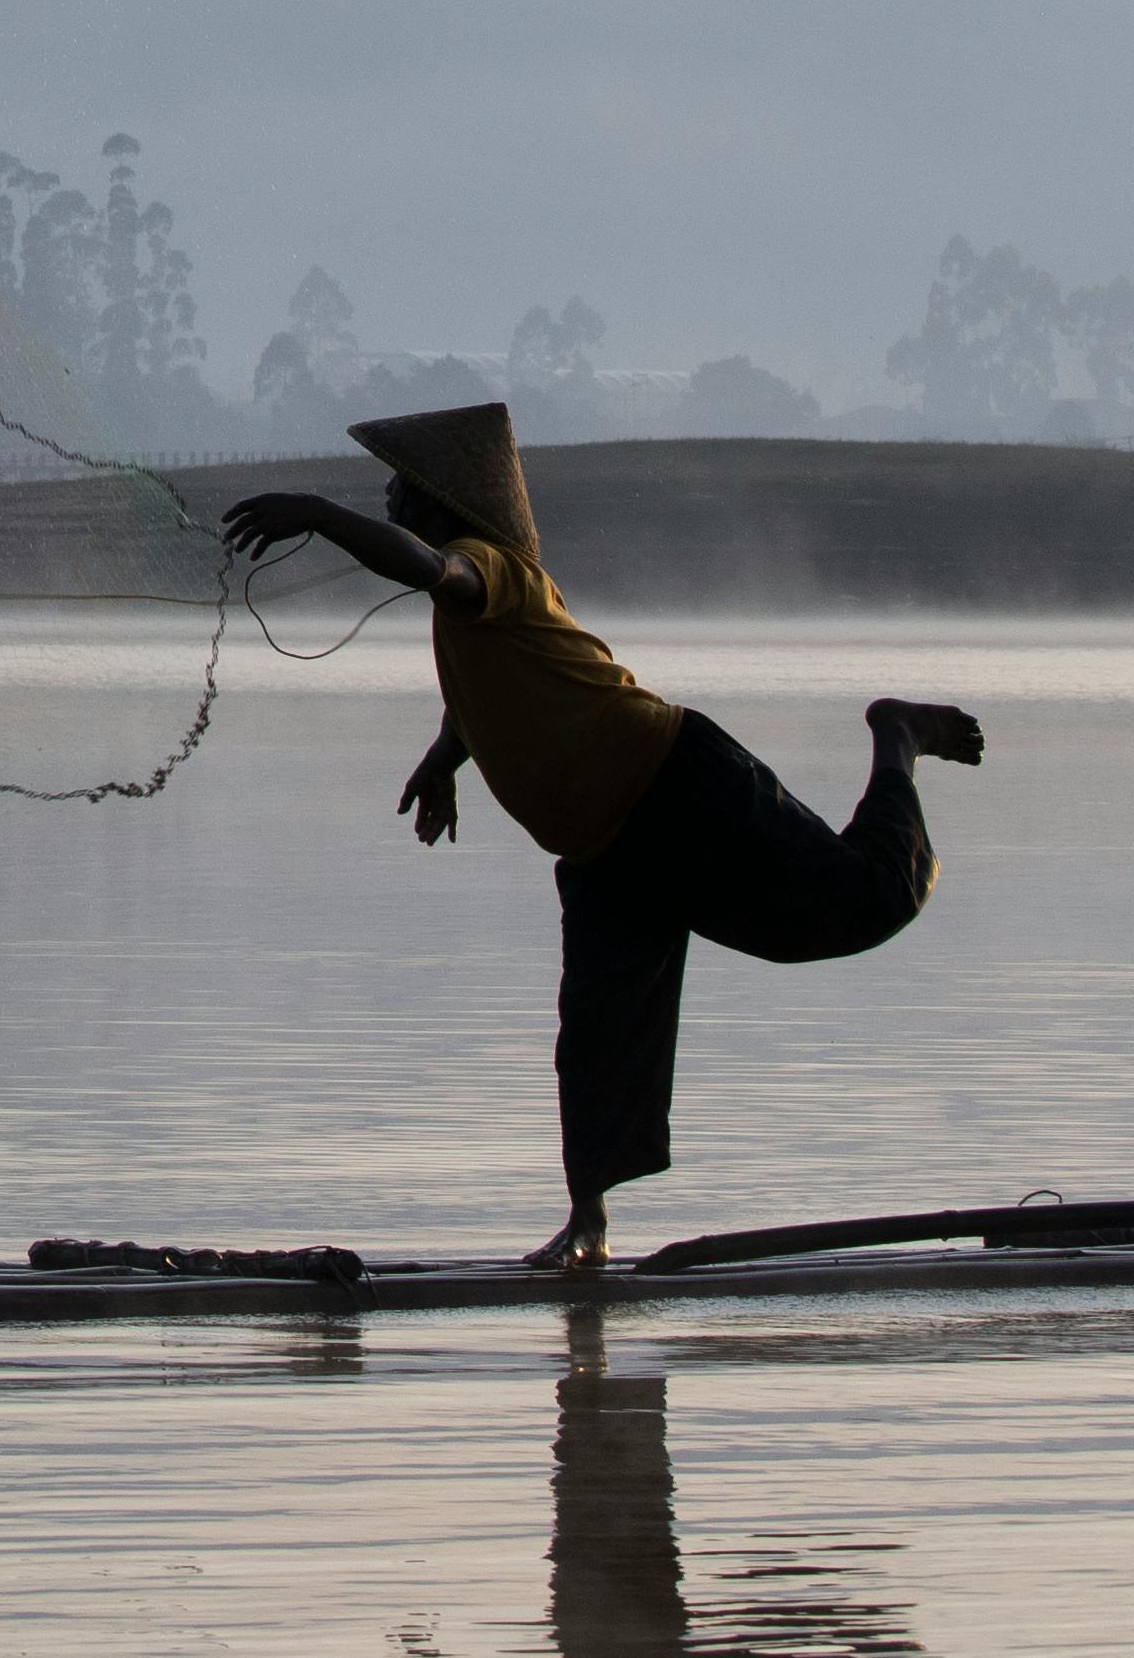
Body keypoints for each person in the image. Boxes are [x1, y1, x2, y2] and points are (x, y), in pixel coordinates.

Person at [224, 400, 980, 1271]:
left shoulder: (488, 566)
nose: (389, 492)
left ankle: (897, 737)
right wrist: (445, 758)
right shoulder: (471, 603)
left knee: (855, 906)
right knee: (594, 1034)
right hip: (604, 851)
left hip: (676, 788)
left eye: (401, 482)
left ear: (441, 499)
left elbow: (433, 569)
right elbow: (500, 685)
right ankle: (588, 1223)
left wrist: (318, 515)